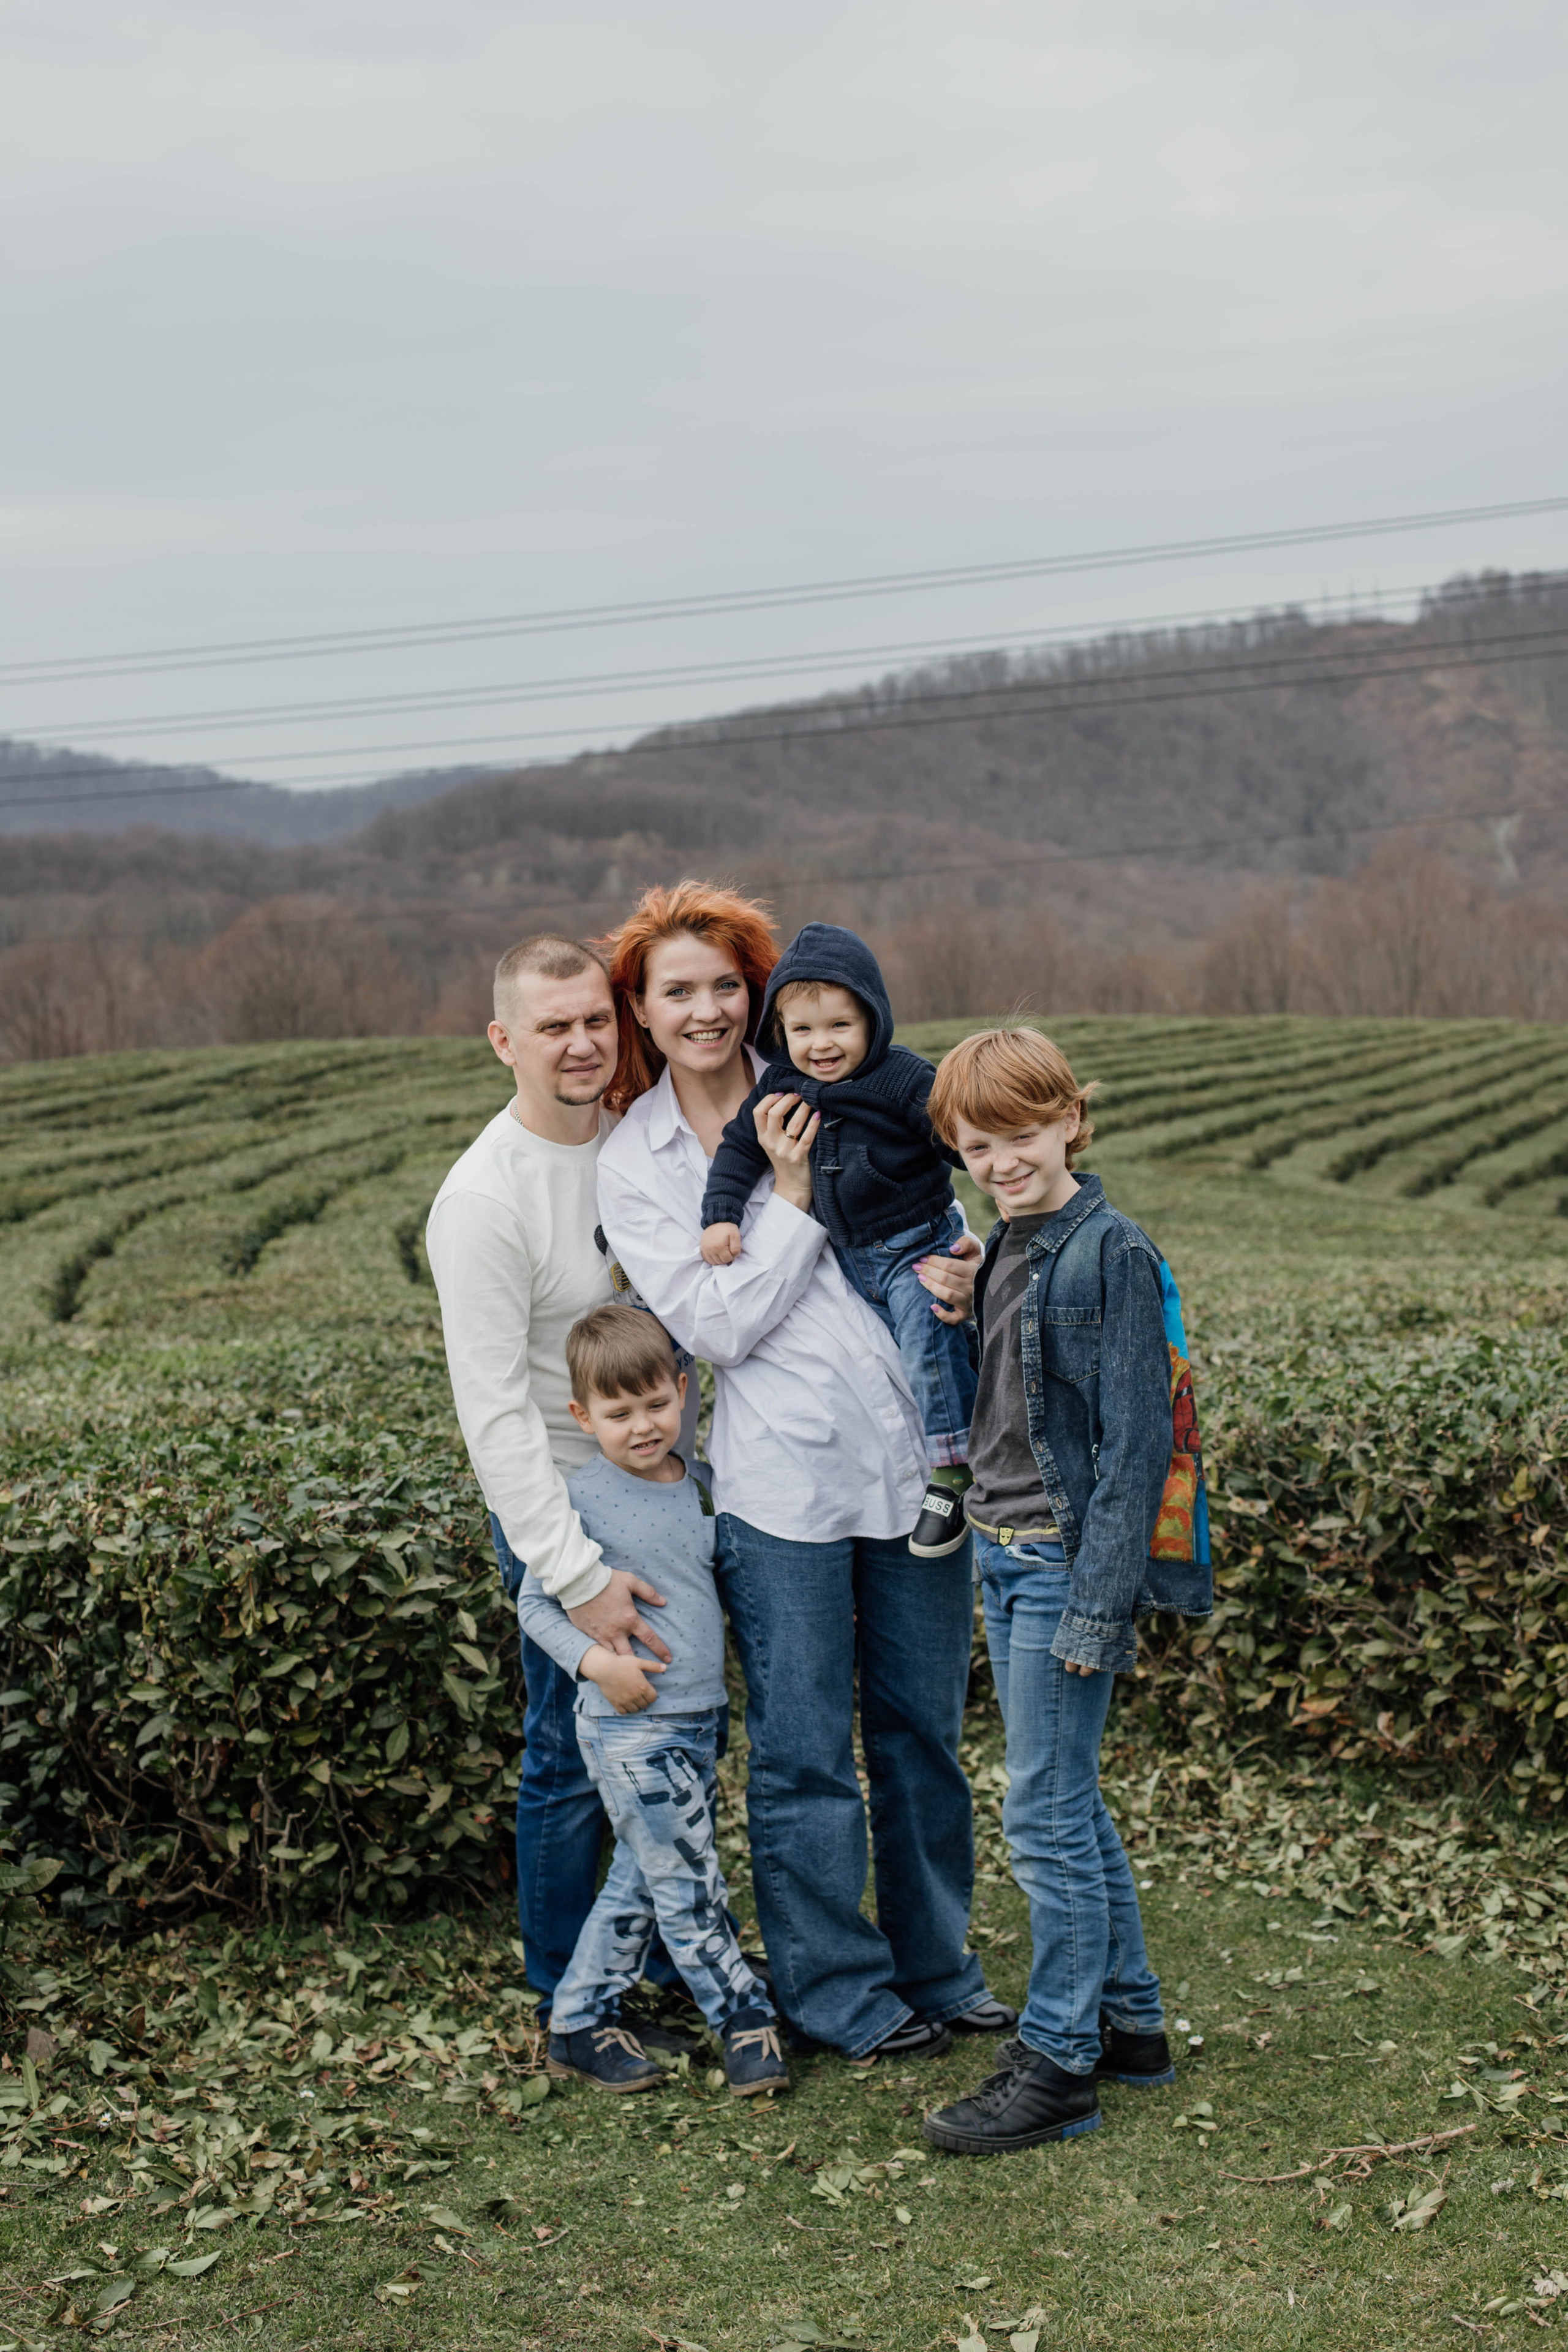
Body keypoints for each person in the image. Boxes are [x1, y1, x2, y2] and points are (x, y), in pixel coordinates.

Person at [594, 879, 1015, 2064]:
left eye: (729, 986)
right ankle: (839, 1990)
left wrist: (964, 1265)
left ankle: (940, 1964)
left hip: (916, 1467)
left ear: (767, 998)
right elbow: (714, 1328)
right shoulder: (642, 1164)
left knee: (922, 1732)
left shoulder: (853, 1091)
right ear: (644, 1008)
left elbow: (937, 1208)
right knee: (802, 1746)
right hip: (786, 1486)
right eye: (679, 991)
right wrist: (785, 1200)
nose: (708, 1010)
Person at [918, 1027, 1212, 2155]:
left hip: (1058, 1564)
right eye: (979, 1143)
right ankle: (1130, 2027)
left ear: (1072, 1123)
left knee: (1042, 1819)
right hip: (1001, 1548)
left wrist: (1097, 1606)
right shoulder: (1008, 1246)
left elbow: (1137, 1444)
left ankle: (1059, 2063)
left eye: (1024, 1134)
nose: (1001, 1160)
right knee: (1069, 1803)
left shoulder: (1109, 1251)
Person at [424, 932, 691, 2014]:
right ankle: (566, 1985)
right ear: (504, 1041)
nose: (582, 1043)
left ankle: (666, 1958)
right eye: (554, 1026)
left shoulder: (632, 1138)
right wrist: (575, 1574)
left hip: (662, 1491)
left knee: (665, 1735)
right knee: (567, 1748)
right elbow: (494, 1420)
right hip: (566, 1510)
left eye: (596, 1020)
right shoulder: (485, 1201)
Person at [517, 1303, 788, 2100]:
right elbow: (536, 1608)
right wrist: (600, 1664)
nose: (643, 1427)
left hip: (700, 1720)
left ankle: (576, 2021)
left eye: (657, 1405)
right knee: (688, 1876)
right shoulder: (580, 1504)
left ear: (682, 1390)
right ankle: (742, 2019)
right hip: (629, 1724)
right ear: (582, 1416)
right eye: (619, 1413)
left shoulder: (702, 1486)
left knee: (645, 1873)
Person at [696, 922, 979, 1559]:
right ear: (781, 1032)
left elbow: (957, 1138)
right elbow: (740, 1150)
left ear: (873, 1022)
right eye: (802, 1031)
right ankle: (975, 1421)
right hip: (854, 1260)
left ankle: (955, 1472)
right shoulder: (779, 1089)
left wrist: (1004, 1185)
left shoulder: (903, 1079)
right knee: (921, 1353)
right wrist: (722, 1215)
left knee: (930, 1338)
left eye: (839, 1028)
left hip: (916, 1245)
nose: (820, 1045)